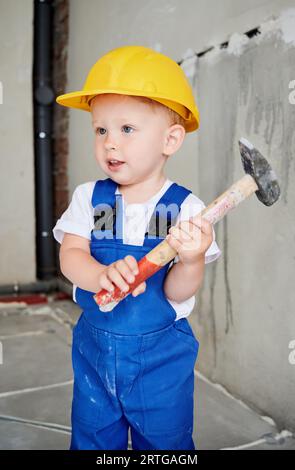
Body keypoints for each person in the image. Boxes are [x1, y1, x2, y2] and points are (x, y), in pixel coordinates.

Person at [53, 45, 221, 450]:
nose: (111, 143)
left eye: (127, 129)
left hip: (160, 360)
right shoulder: (91, 197)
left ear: (170, 139)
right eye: (101, 130)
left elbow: (178, 292)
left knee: (164, 441)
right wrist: (98, 275)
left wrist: (192, 258)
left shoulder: (184, 209)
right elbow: (71, 255)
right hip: (96, 350)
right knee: (93, 435)